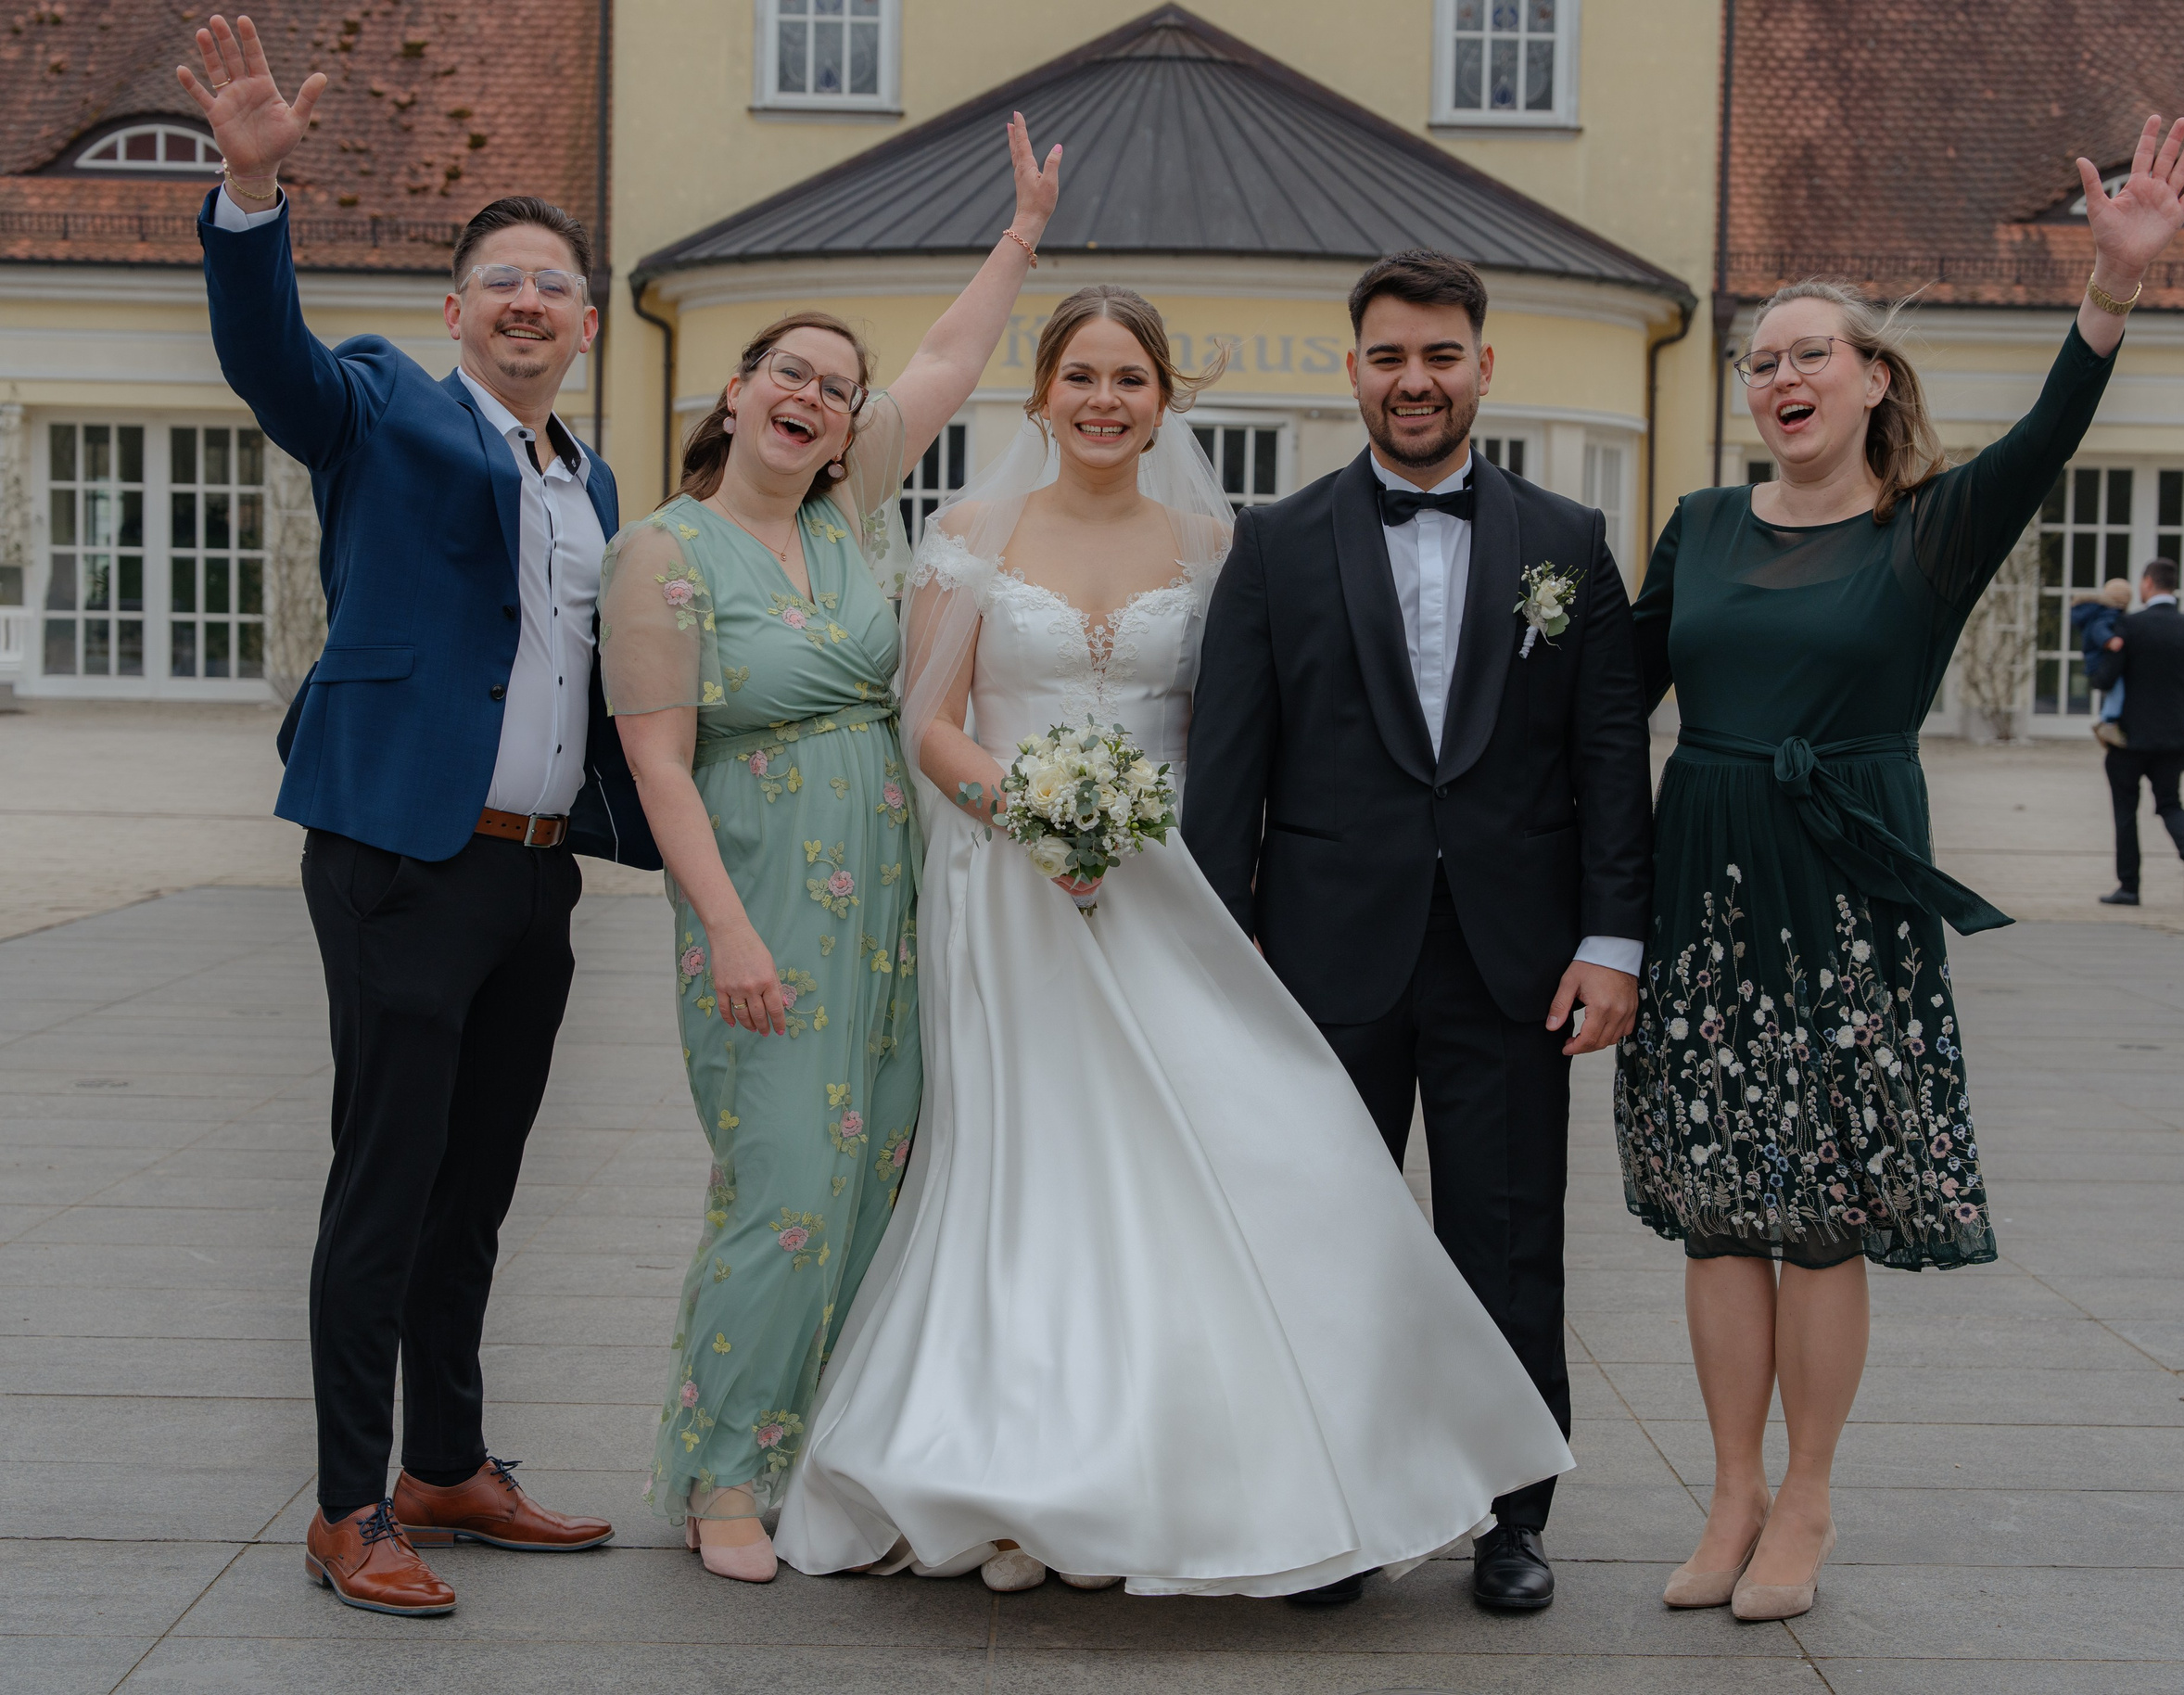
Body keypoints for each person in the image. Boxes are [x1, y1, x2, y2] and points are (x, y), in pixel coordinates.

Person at [773, 285, 1577, 1603]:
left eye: (1129, 380)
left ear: (1164, 401)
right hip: (1011, 888)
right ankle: (1008, 1476)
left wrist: (1180, 855)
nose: (1103, 400)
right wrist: (1031, 810)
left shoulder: (1220, 546)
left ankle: (1200, 1461)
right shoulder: (971, 530)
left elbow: (1243, 730)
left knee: (1208, 1168)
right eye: (1079, 376)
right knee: (1026, 1178)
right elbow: (928, 718)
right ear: (1040, 394)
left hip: (1164, 886)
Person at [1618, 116, 2184, 1624]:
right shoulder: (1693, 527)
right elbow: (1606, 703)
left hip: (1844, 892)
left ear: (1873, 379)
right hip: (1706, 882)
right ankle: (1731, 1487)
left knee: (1819, 1204)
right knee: (1714, 1202)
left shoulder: (1926, 531)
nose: (1785, 377)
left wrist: (2110, 290)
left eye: (1814, 353)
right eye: (1762, 359)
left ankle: (1808, 1492)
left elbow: (2047, 439)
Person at [179, 15, 657, 1617]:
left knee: (480, 1178)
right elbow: (273, 363)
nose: (529, 300)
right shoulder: (382, 404)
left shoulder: (589, 483)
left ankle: (449, 1457)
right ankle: (345, 1500)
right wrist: (252, 194)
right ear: (460, 310)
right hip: (400, 851)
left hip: (535, 878)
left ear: (585, 325)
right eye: (502, 279)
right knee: (385, 1174)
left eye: (555, 285)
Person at [599, 118, 1062, 1584]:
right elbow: (657, 761)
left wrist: (1020, 242)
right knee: (786, 1186)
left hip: (891, 913)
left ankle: (818, 1469)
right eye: (787, 374)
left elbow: (947, 359)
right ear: (734, 395)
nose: (813, 398)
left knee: (876, 1188)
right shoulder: (663, 553)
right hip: (763, 909)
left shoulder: (855, 516)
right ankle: (718, 1478)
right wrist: (725, 928)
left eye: (836, 388)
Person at [1187, 249, 1657, 1611]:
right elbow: (1231, 770)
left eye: (1440, 355)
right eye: (1389, 356)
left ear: (1483, 367)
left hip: (1517, 962)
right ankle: (1336, 1509)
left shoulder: (1568, 542)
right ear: (1355, 369)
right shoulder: (1275, 544)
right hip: (1324, 958)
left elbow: (1609, 758)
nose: (1415, 380)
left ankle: (1511, 1516)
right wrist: (1225, 966)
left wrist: (1613, 941)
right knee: (1323, 1246)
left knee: (1507, 1243)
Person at [2097, 554, 2184, 907]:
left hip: (2128, 739)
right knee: (2170, 803)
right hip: (2173, 738)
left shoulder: (2130, 626)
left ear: (2148, 583)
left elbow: (2104, 678)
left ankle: (2130, 887)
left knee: (2125, 810)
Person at [2071, 575, 2132, 746]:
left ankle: (2106, 721)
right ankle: (2108, 722)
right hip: (2101, 661)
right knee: (2118, 692)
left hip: (2097, 661)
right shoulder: (2108, 613)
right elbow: (2099, 630)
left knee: (2115, 692)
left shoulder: (2099, 612)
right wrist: (2110, 640)